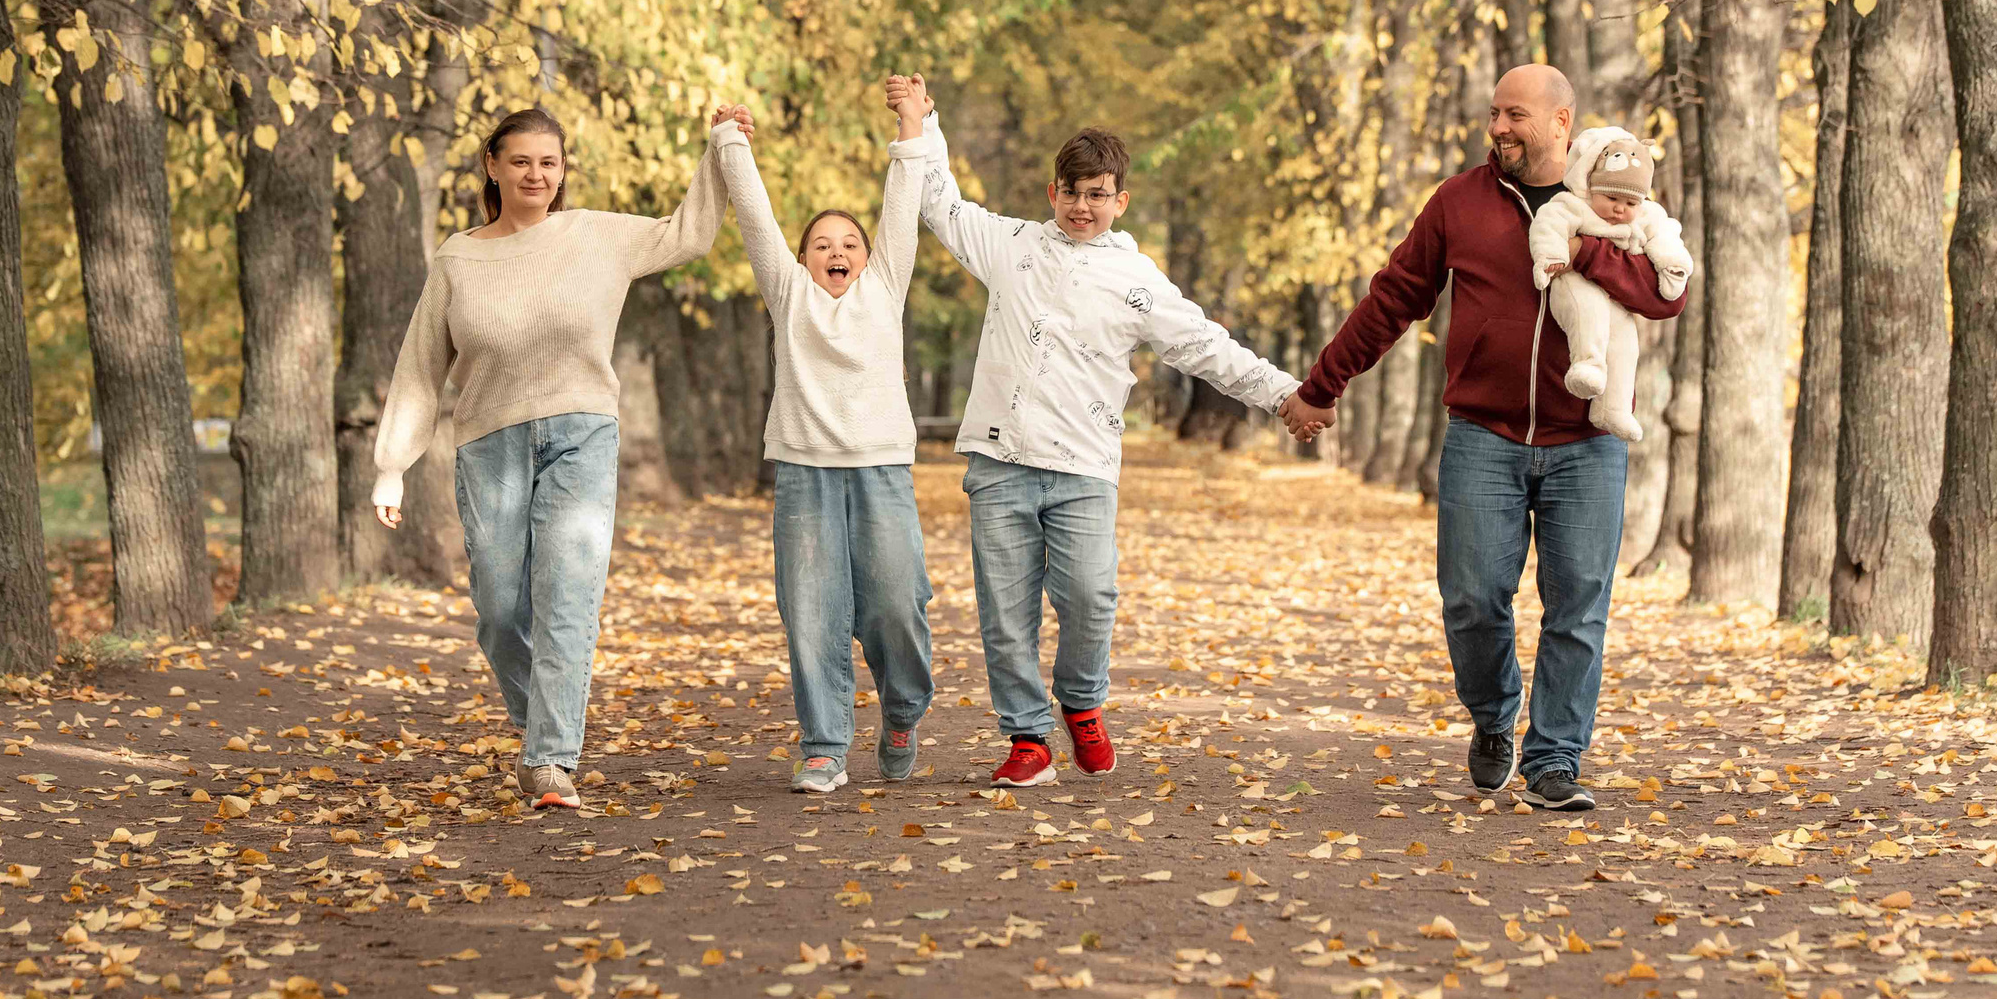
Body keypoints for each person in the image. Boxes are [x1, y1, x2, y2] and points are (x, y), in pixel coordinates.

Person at [886, 74, 1318, 788]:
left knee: (1089, 595)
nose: (1082, 205)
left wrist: (1285, 395)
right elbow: (941, 202)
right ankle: (1028, 736)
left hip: (1085, 467)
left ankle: (1081, 701)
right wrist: (922, 120)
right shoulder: (1012, 246)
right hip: (998, 458)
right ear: (1052, 192)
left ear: (1119, 200)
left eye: (1098, 194)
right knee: (1005, 613)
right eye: (1071, 190)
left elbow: (1209, 347)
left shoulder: (1137, 280)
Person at [1282, 66, 1685, 813]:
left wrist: (1588, 255)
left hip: (1587, 439)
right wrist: (1321, 386)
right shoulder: (1458, 203)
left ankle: (1555, 756)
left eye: (1516, 114)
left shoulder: (1608, 200)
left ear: (1562, 123)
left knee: (1579, 605)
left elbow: (1670, 293)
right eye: (1494, 113)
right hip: (1482, 434)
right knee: (1470, 598)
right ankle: (1496, 714)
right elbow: (1394, 298)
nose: (1498, 127)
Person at [369, 107, 723, 810]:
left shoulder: (599, 235)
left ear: (563, 171)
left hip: (582, 431)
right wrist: (392, 461)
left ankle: (552, 759)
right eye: (522, 160)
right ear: (493, 166)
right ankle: (544, 726)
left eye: (550, 162)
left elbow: (692, 231)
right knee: (501, 610)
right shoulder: (459, 256)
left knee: (568, 593)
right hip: (488, 439)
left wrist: (722, 146)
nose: (537, 173)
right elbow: (420, 364)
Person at [708, 99, 934, 795]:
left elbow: (901, 202)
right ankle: (824, 744)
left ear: (868, 258)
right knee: (812, 609)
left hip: (880, 469)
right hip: (805, 472)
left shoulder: (886, 287)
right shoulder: (787, 293)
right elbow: (753, 214)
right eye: (822, 244)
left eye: (849, 244)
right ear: (802, 260)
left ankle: (901, 711)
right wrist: (730, 142)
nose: (837, 252)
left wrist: (910, 127)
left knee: (896, 602)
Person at [1526, 127, 1694, 442]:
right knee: (1587, 314)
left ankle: (1613, 409)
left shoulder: (1645, 216)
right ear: (1592, 189)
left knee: (1625, 341)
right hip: (1573, 284)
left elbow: (1665, 235)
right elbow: (1549, 224)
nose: (1619, 209)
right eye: (1611, 198)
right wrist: (1552, 256)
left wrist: (1673, 266)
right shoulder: (1575, 204)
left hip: (1614, 299)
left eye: (1629, 202)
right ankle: (1587, 366)